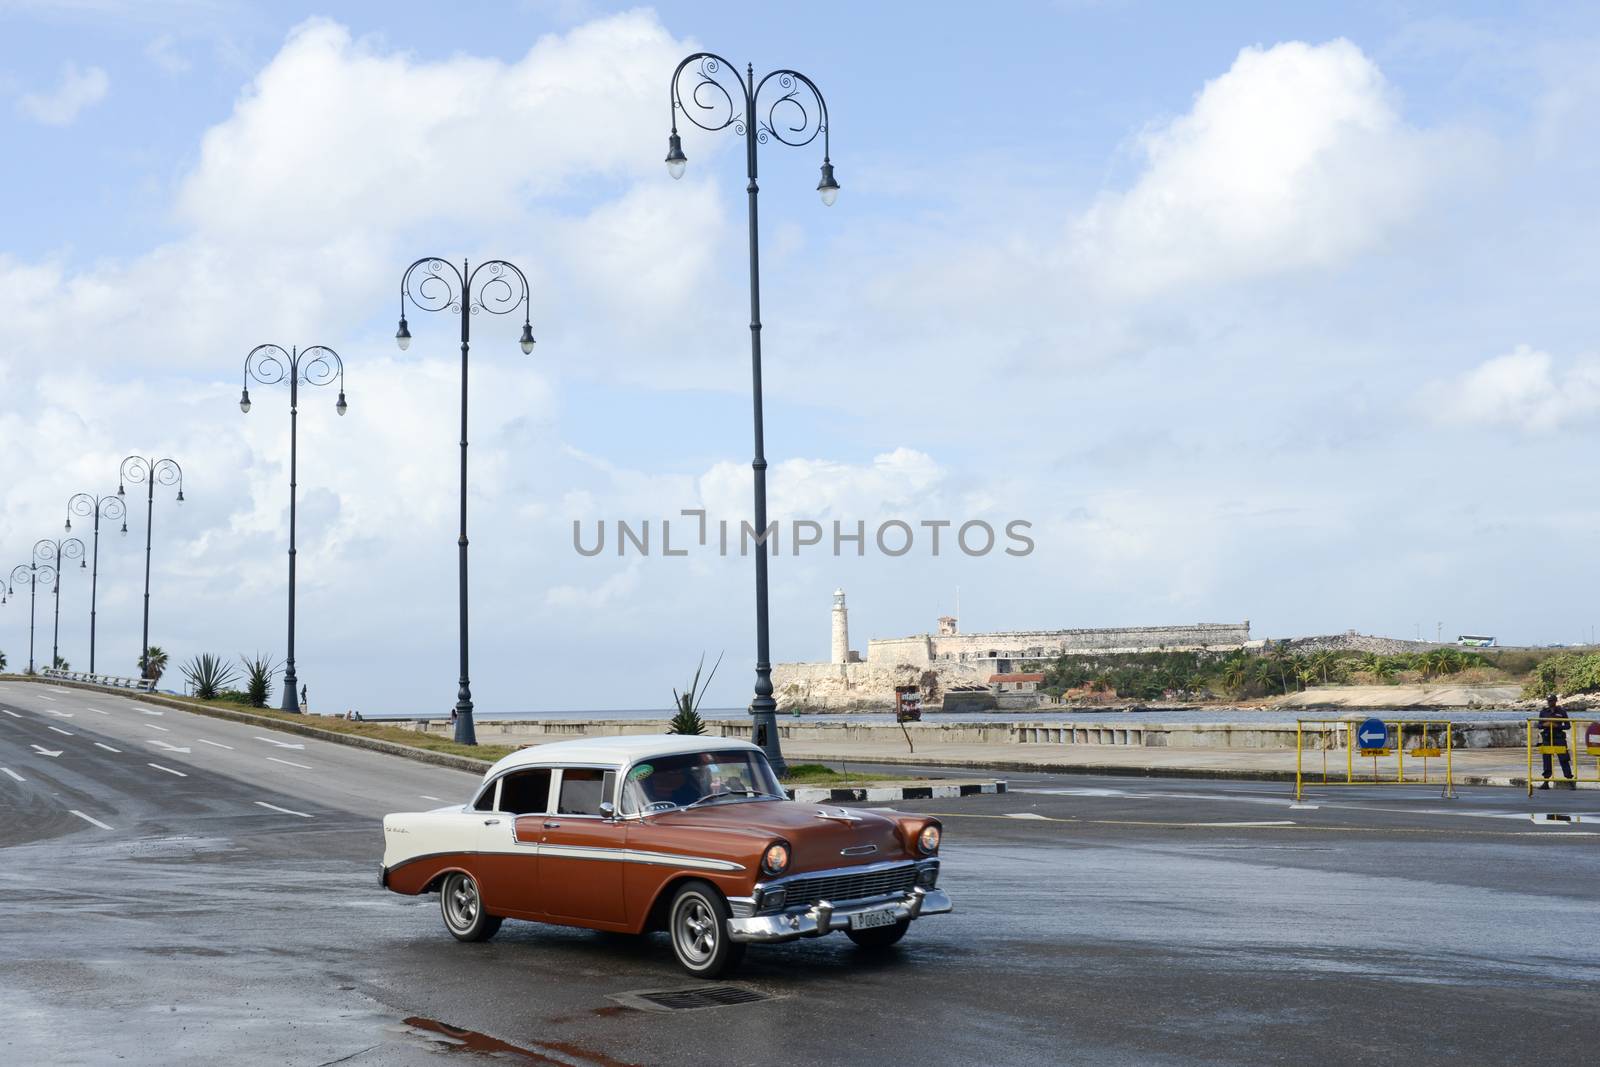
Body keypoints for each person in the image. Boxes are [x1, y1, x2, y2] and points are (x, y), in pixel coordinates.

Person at [1538, 693, 1574, 790]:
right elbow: (1539, 725)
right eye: (1549, 701)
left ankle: (1570, 781)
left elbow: (1568, 726)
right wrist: (1545, 724)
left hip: (1559, 738)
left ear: (1555, 701)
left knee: (1564, 759)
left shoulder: (1562, 712)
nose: (1550, 703)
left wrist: (1557, 726)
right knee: (1547, 760)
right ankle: (1546, 782)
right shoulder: (1543, 712)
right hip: (1547, 738)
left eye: (1552, 701)